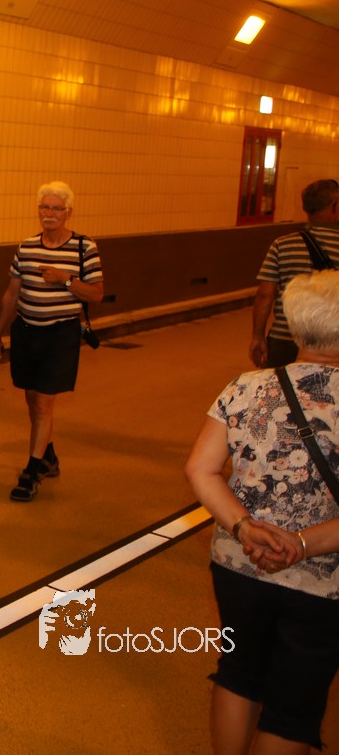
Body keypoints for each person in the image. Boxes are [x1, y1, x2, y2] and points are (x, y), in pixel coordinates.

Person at [184, 269, 339, 755]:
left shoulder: (245, 387)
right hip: (324, 581)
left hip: (240, 563)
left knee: (239, 671)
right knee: (294, 702)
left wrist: (245, 527)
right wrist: (301, 545)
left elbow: (201, 469)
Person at [0, 181, 104, 502]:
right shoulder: (26, 247)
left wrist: (65, 279)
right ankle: (48, 455)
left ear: (68, 212)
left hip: (60, 334)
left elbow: (96, 294)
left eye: (56, 208)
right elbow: (11, 295)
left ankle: (32, 471)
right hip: (27, 332)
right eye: (44, 207)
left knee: (42, 404)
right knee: (32, 399)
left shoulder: (84, 248)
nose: (49, 213)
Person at [249, 178, 339, 368]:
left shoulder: (281, 244)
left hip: (284, 338)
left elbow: (265, 295)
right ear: (335, 205)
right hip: (332, 344)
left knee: (280, 384)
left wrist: (257, 336)